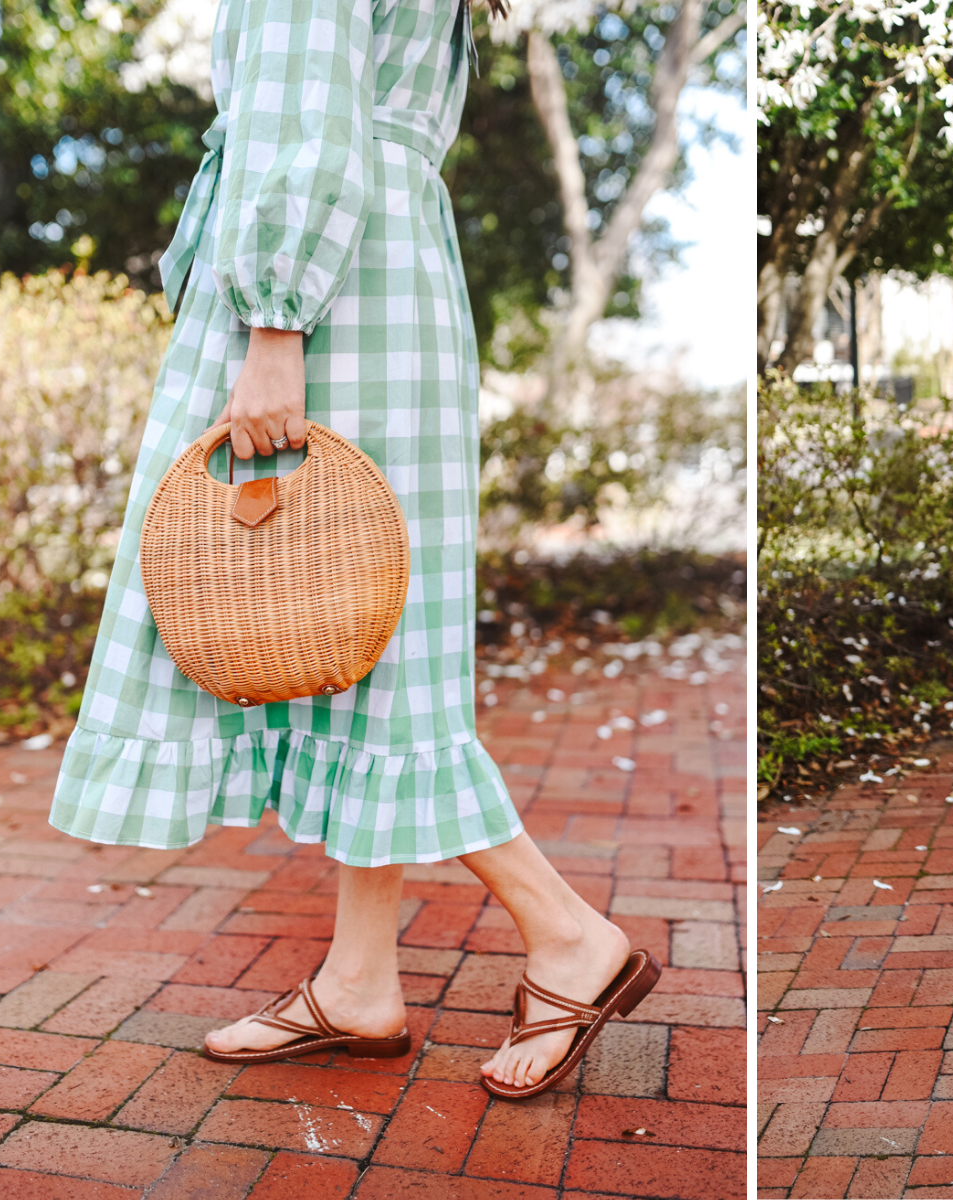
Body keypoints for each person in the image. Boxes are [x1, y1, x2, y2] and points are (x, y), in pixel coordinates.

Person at [47, 0, 657, 1098]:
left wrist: (273, 326)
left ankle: (565, 933)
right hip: (388, 274)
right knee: (368, 651)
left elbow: (304, 108)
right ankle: (360, 979)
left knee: (360, 650)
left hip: (323, 299)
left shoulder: (290, 296)